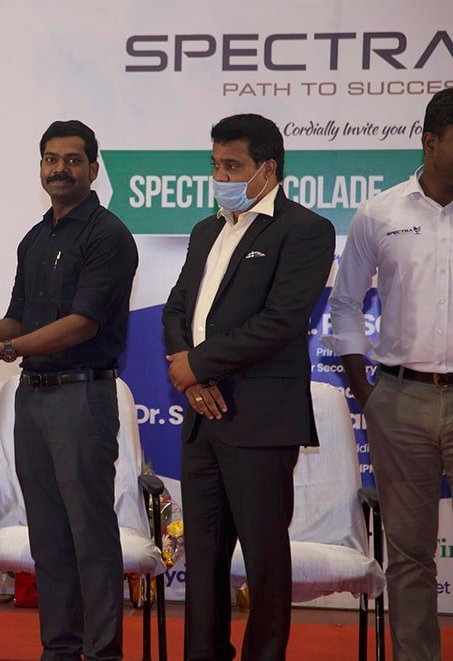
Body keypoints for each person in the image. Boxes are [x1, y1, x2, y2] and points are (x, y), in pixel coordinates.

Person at [0, 120, 137, 661]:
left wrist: (3, 351)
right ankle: (59, 648)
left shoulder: (108, 236)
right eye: (51, 159)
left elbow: (82, 324)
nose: (60, 169)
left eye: (73, 160)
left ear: (93, 167)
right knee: (48, 536)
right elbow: (18, 318)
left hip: (82, 398)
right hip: (32, 398)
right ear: (40, 167)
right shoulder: (35, 238)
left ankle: (102, 652)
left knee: (90, 535)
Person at [161, 113, 335, 661]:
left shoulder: (305, 230)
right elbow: (176, 309)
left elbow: (282, 321)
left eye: (232, 167)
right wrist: (190, 376)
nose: (221, 177)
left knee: (265, 561)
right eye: (215, 165)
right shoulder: (206, 230)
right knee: (204, 558)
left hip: (260, 420)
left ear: (267, 169)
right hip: (202, 417)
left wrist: (199, 365)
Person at [325, 88, 453, 661]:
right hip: (400, 401)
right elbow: (345, 304)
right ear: (430, 142)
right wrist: (365, 393)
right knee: (409, 556)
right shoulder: (380, 212)